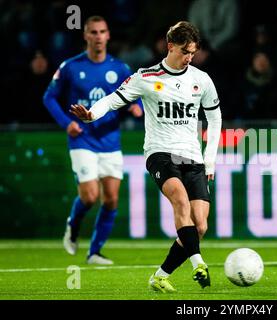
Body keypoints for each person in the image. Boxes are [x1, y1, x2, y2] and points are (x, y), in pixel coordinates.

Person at [70, 21, 222, 292]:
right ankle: (198, 262)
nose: (189, 57)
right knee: (179, 201)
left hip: (193, 157)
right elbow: (113, 99)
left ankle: (160, 275)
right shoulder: (146, 77)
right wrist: (92, 114)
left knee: (199, 226)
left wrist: (209, 159)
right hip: (160, 153)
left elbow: (215, 117)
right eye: (185, 51)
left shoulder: (202, 79)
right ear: (170, 46)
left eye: (193, 52)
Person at [43, 16, 143, 265]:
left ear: (108, 35)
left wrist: (136, 107)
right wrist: (68, 124)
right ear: (86, 36)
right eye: (93, 32)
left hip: (110, 140)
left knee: (111, 199)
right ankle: (73, 225)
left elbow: (135, 94)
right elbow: (49, 97)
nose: (98, 36)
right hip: (83, 140)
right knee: (89, 197)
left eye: (102, 32)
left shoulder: (120, 68)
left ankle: (94, 253)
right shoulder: (70, 67)